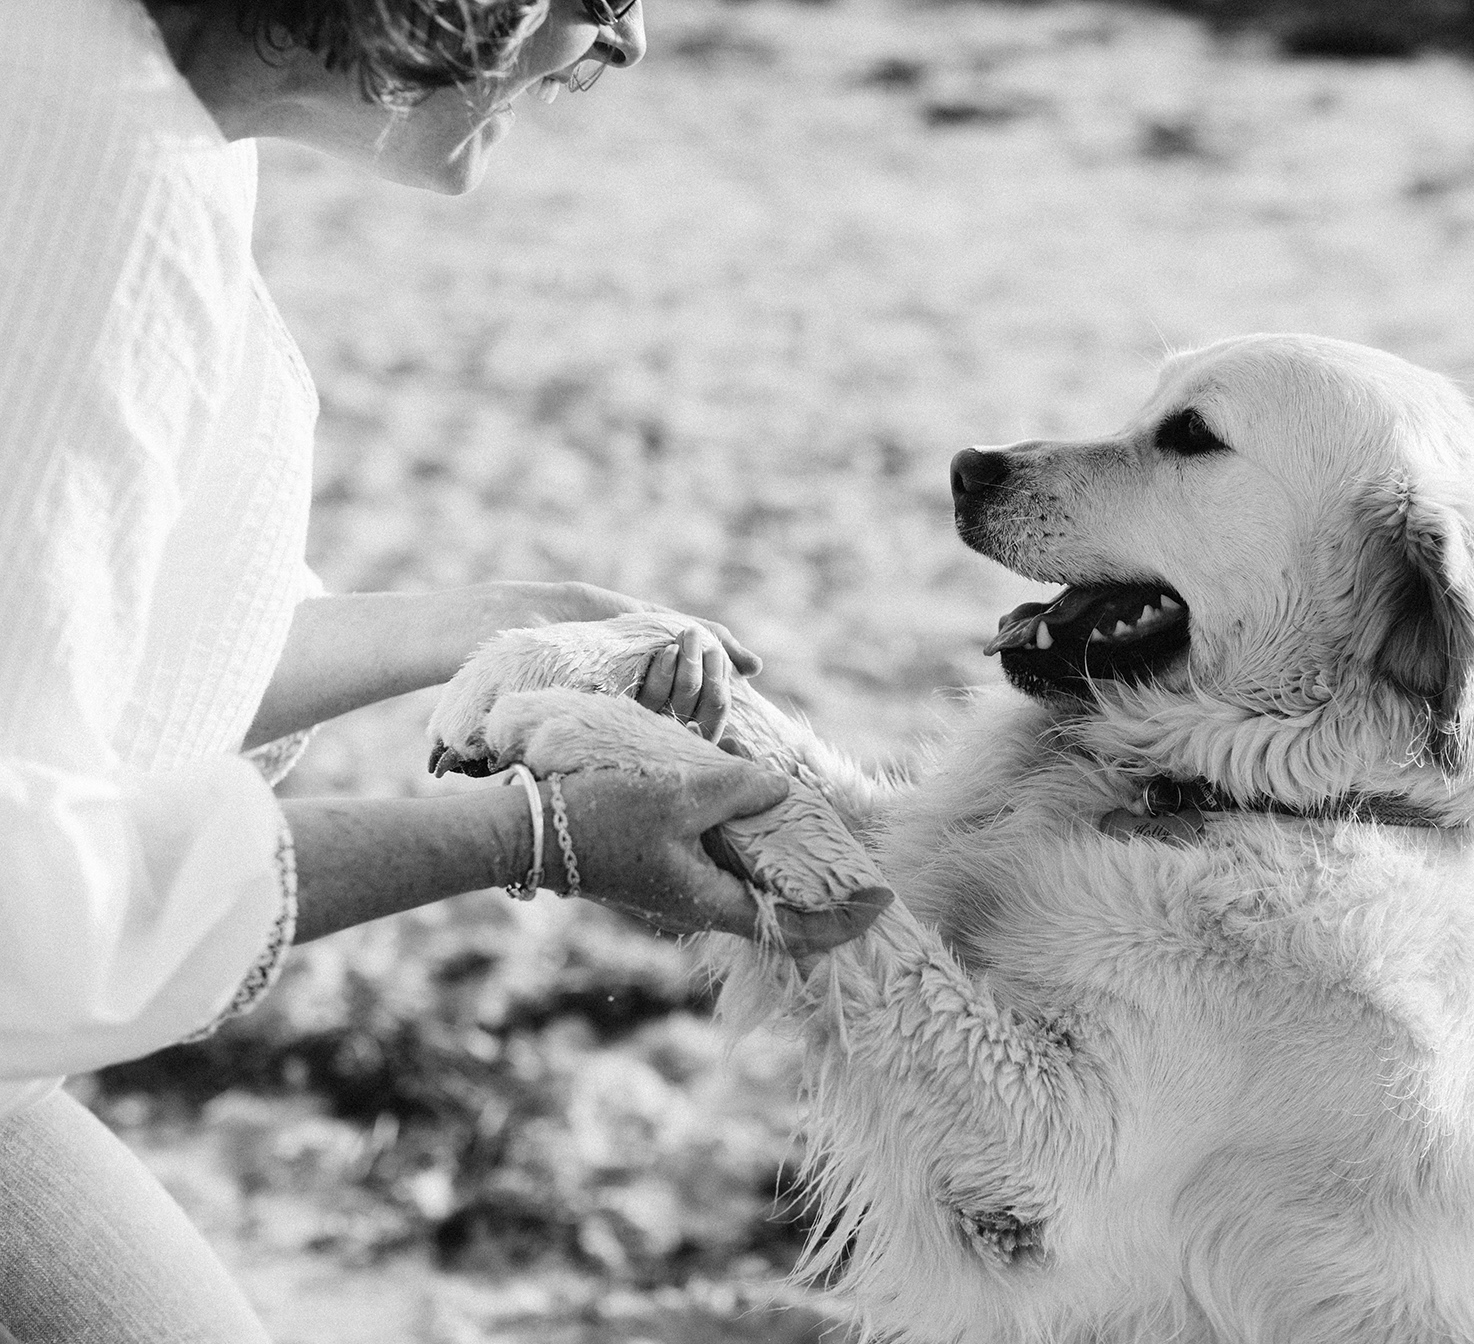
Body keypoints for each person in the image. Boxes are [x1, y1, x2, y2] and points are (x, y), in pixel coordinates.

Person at [0, 1, 886, 1338]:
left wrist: (516, 620)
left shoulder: (126, 94)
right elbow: (18, 905)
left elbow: (110, 677)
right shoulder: (96, 184)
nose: (625, 41)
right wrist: (528, 838)